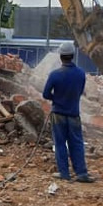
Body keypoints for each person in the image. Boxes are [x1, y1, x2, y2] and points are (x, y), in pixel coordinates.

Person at [42, 41, 92, 182]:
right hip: (74, 114)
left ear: (61, 56)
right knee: (76, 143)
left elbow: (45, 94)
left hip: (58, 114)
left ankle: (64, 173)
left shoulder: (54, 75)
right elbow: (79, 92)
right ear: (73, 55)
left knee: (60, 144)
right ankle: (81, 173)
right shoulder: (81, 74)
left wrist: (57, 99)